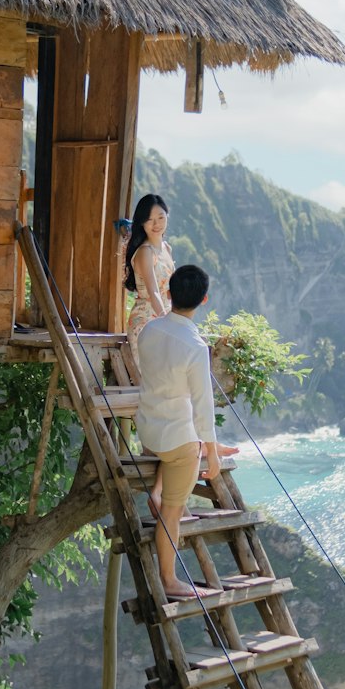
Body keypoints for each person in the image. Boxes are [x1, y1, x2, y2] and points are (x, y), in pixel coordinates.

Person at [135, 264, 225, 600]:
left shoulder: (148, 331)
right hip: (176, 442)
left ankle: (160, 490)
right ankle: (170, 580)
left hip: (148, 431)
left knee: (180, 448)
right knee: (174, 512)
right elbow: (202, 406)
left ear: (169, 293)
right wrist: (210, 451)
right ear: (204, 300)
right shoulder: (196, 347)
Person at [124, 193, 174, 365]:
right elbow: (153, 292)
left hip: (165, 316)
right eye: (150, 219)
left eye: (160, 217)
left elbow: (170, 292)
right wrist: (168, 323)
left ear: (167, 216)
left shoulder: (167, 248)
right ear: (141, 222)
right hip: (146, 321)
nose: (156, 224)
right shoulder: (145, 252)